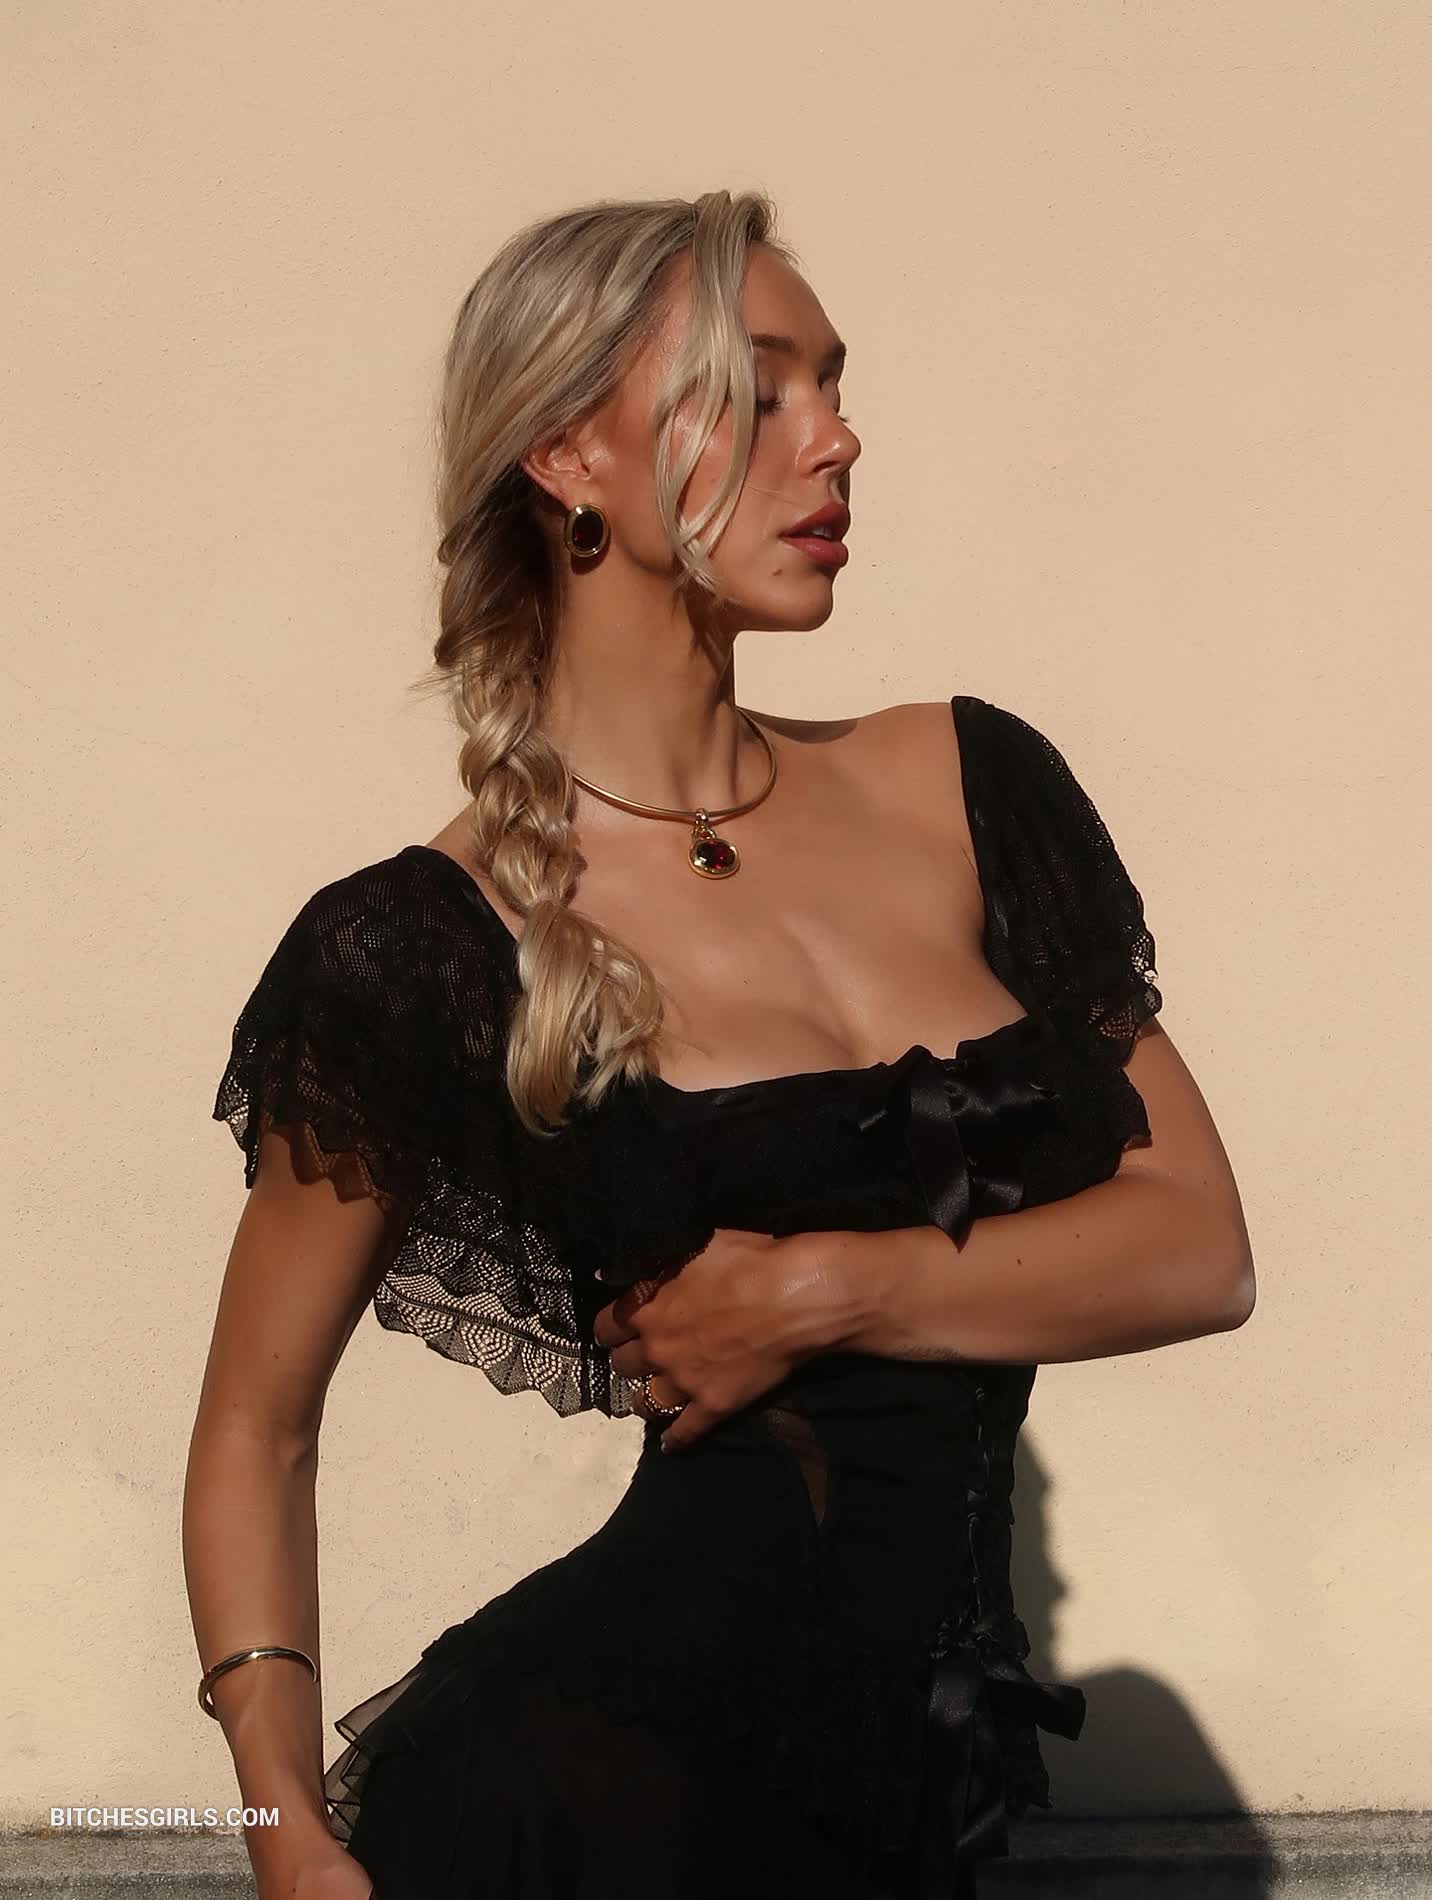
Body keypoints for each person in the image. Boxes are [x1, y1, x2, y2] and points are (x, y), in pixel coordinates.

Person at [183, 189, 1256, 1900]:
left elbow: (1200, 1249)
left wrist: (831, 1289)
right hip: (586, 1809)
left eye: (833, 384)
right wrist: (281, 1836)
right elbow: (258, 1422)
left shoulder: (969, 787)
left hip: (903, 1807)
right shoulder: (419, 944)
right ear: (567, 457)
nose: (835, 440)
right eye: (756, 393)